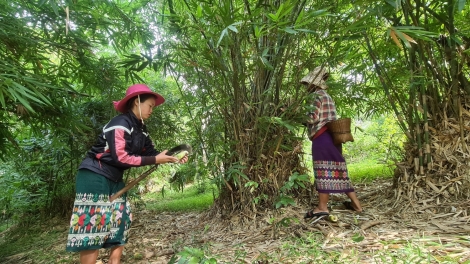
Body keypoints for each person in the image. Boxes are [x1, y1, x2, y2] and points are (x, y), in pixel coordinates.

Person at [65, 84, 188, 264]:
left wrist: (171, 157)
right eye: (150, 106)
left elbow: (150, 153)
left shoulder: (141, 129)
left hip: (115, 177)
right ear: (137, 102)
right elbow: (121, 157)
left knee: (120, 222)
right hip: (94, 174)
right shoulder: (119, 124)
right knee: (93, 226)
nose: (152, 110)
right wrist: (155, 160)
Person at [301, 67, 362, 219]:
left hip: (322, 139)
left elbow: (312, 118)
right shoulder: (326, 95)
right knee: (338, 169)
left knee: (323, 171)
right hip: (332, 137)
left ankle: (322, 207)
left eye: (307, 84)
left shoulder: (315, 96)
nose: (306, 87)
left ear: (312, 83)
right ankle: (357, 205)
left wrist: (295, 115)